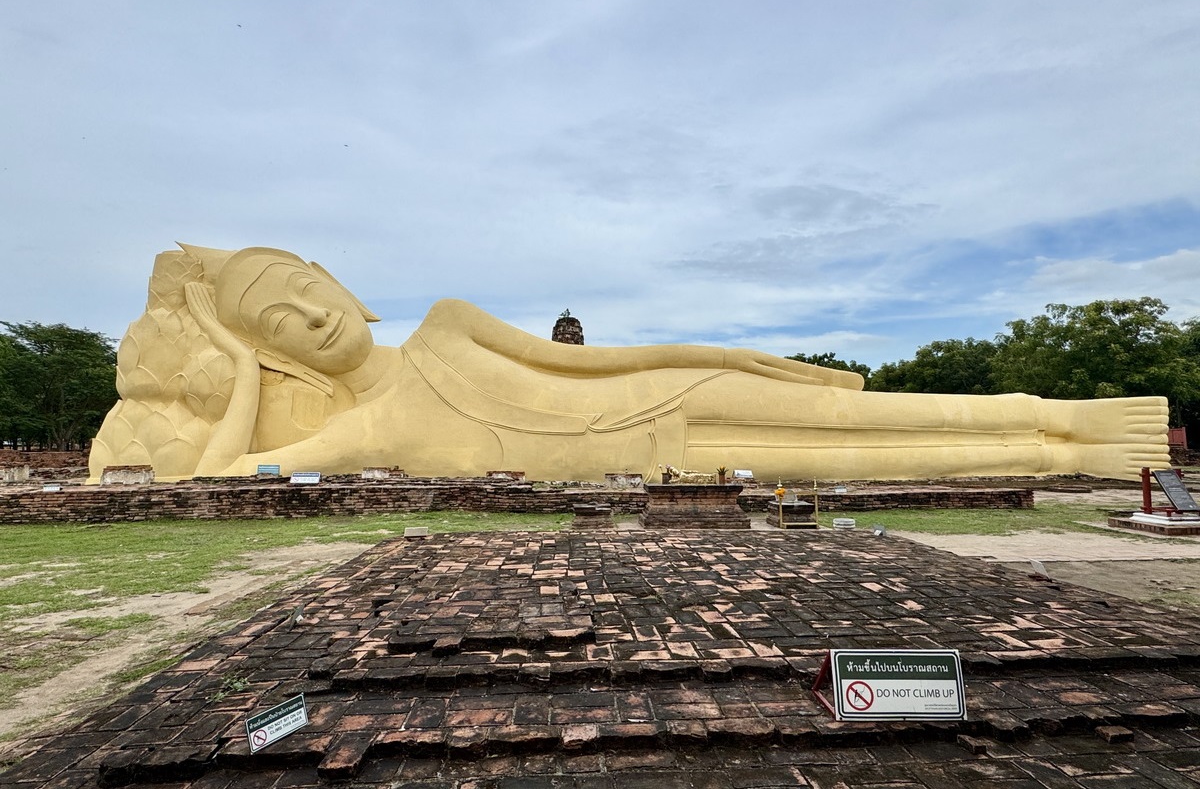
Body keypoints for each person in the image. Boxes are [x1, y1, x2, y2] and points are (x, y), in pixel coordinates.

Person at [89, 245, 1170, 483]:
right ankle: (1085, 453)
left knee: (892, 412)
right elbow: (209, 482)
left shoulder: (451, 321)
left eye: (308, 289)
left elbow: (609, 360)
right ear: (277, 348)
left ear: (342, 284)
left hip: (666, 392)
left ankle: (1073, 415)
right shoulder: (354, 431)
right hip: (666, 454)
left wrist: (736, 352)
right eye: (279, 320)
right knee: (905, 457)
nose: (309, 316)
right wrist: (231, 370)